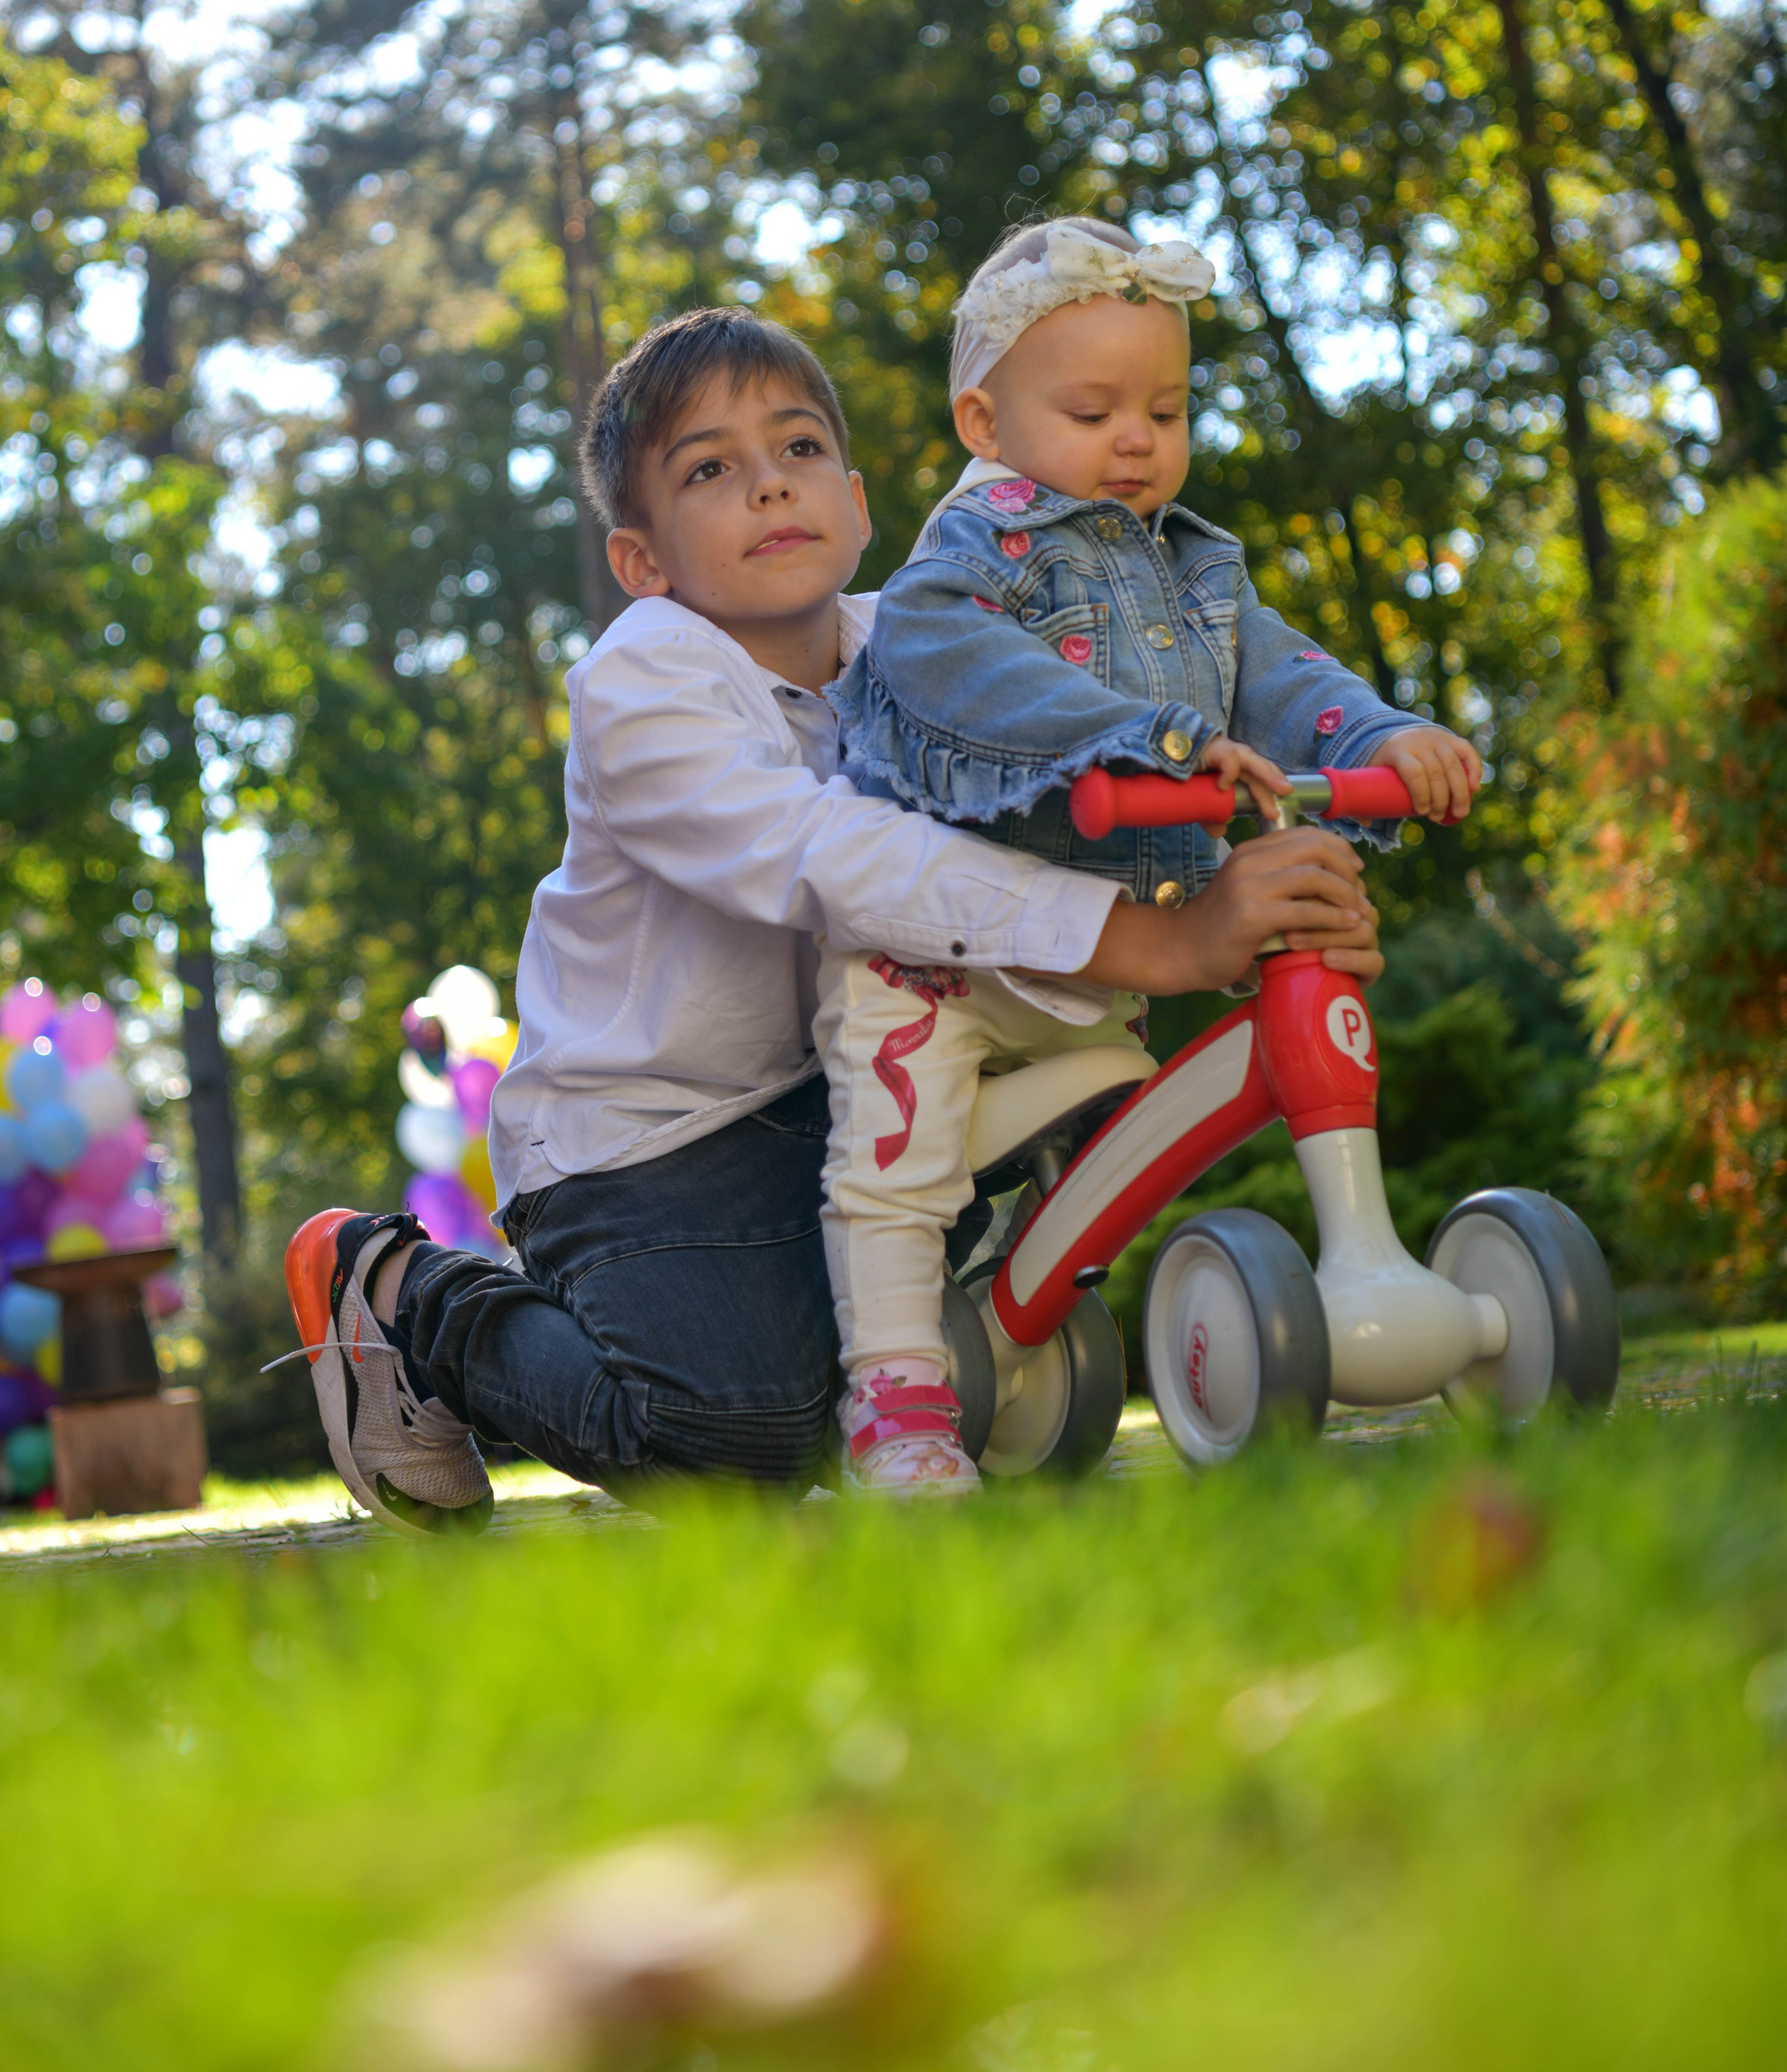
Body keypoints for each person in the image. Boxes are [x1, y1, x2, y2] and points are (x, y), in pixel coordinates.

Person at [285, 303, 1388, 1527]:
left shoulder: (924, 647)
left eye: (798, 449)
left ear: (860, 504)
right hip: (650, 1139)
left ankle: (955, 1342)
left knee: (1060, 1096)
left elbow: (1094, 754)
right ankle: (400, 1292)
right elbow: (831, 855)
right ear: (644, 561)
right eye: (711, 470)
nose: (769, 487)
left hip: (852, 1072)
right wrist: (1161, 940)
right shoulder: (643, 679)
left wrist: (1246, 880)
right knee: (734, 1443)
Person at [817, 216, 1482, 1495]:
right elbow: (969, 675)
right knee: (891, 1160)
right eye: (1093, 409)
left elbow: (1281, 678)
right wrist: (1153, 738)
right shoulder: (964, 569)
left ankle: (1024, 1308)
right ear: (985, 425)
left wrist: (1386, 736)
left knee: (1130, 1127)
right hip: (942, 960)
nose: (1138, 439)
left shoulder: (1196, 571)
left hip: (1103, 957)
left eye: (1166, 410)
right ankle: (897, 1397)